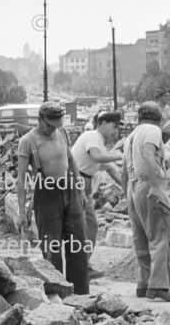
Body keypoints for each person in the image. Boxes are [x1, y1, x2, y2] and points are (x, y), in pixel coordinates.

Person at [16, 101, 89, 295]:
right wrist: (21, 212)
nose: (52, 129)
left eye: (56, 125)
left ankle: (80, 293)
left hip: (70, 190)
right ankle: (58, 295)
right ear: (39, 119)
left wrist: (80, 189)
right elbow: (21, 178)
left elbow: (71, 161)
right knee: (52, 248)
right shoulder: (27, 141)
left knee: (78, 245)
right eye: (49, 125)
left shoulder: (62, 133)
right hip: (46, 195)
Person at [121, 102, 170, 302]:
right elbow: (148, 154)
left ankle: (143, 283)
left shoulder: (131, 136)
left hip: (133, 185)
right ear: (158, 117)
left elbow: (124, 170)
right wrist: (155, 187)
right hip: (148, 184)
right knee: (160, 235)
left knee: (141, 238)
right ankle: (159, 286)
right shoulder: (153, 130)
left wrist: (128, 195)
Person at [71, 110, 124, 278]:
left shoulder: (99, 142)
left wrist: (128, 188)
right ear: (102, 123)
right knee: (83, 226)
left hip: (83, 183)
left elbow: (112, 170)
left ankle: (82, 265)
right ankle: (79, 268)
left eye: (118, 128)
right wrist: (118, 154)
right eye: (114, 126)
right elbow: (98, 157)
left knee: (89, 226)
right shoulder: (92, 136)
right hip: (75, 182)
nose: (116, 131)